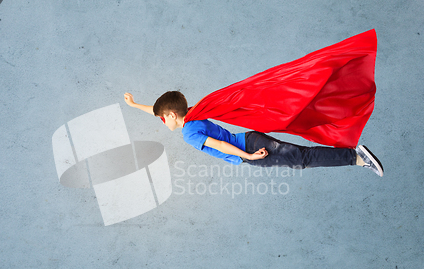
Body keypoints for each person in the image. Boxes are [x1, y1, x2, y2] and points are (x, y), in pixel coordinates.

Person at [124, 91, 384, 176]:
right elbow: (165, 109)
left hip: (250, 147)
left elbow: (221, 146)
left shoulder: (189, 134)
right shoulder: (192, 113)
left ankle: (356, 157)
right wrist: (136, 106)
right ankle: (353, 156)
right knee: (300, 159)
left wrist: (247, 156)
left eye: (162, 118)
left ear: (171, 115)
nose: (161, 121)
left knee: (302, 159)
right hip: (251, 139)